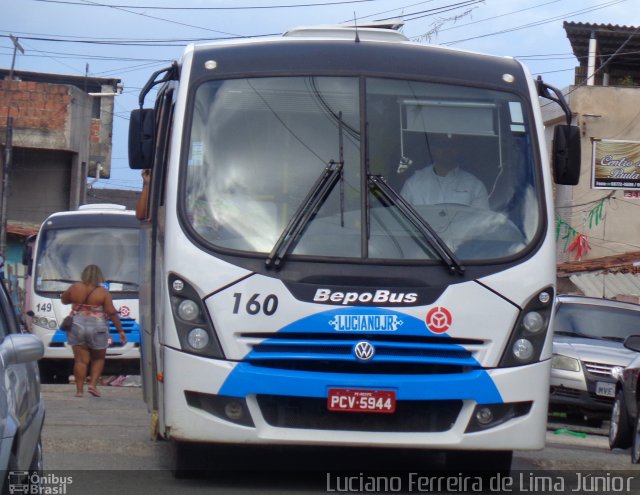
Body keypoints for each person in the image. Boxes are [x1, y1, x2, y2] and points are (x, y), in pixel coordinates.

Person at [61, 264, 127, 398]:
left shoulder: (75, 287)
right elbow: (111, 312)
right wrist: (120, 331)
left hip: (77, 324)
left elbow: (64, 300)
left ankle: (79, 391)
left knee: (80, 360)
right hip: (98, 326)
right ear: (99, 276)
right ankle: (92, 385)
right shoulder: (103, 293)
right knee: (98, 358)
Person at [400, 136, 490, 209]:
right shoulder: (413, 184)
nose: (447, 149)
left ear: (459, 149)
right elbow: (401, 220)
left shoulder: (475, 186)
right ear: (432, 149)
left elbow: (482, 225)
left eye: (452, 145)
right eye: (441, 145)